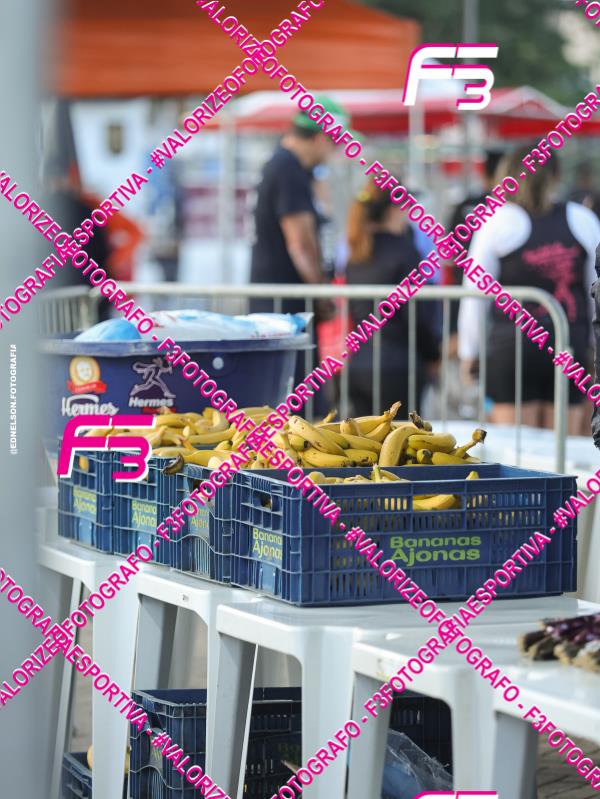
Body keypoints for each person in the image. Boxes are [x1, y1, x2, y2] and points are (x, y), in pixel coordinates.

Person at [458, 146, 600, 434]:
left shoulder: (497, 221)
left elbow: (474, 295)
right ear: (556, 175)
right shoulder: (581, 219)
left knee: (517, 451)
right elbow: (593, 291)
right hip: (567, 343)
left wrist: (468, 352)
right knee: (561, 450)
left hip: (513, 347)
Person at [345, 182, 440, 415]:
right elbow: (416, 315)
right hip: (399, 365)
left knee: (363, 437)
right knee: (402, 436)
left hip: (360, 364)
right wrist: (433, 355)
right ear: (393, 210)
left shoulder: (357, 252)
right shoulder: (405, 252)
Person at [249, 96, 349, 318]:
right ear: (321, 139)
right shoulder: (288, 169)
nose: (336, 152)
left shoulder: (285, 165)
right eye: (336, 143)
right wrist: (321, 294)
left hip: (277, 304)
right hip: (284, 310)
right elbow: (301, 244)